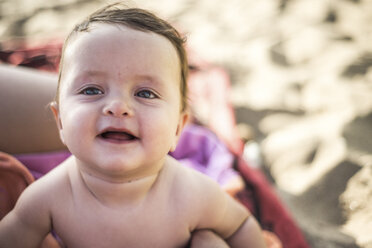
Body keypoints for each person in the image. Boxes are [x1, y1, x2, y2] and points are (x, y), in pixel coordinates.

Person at [0, 3, 266, 248]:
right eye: (92, 90)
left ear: (177, 129)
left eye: (145, 93)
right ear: (60, 121)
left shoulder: (191, 193)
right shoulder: (47, 198)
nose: (117, 106)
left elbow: (240, 225)